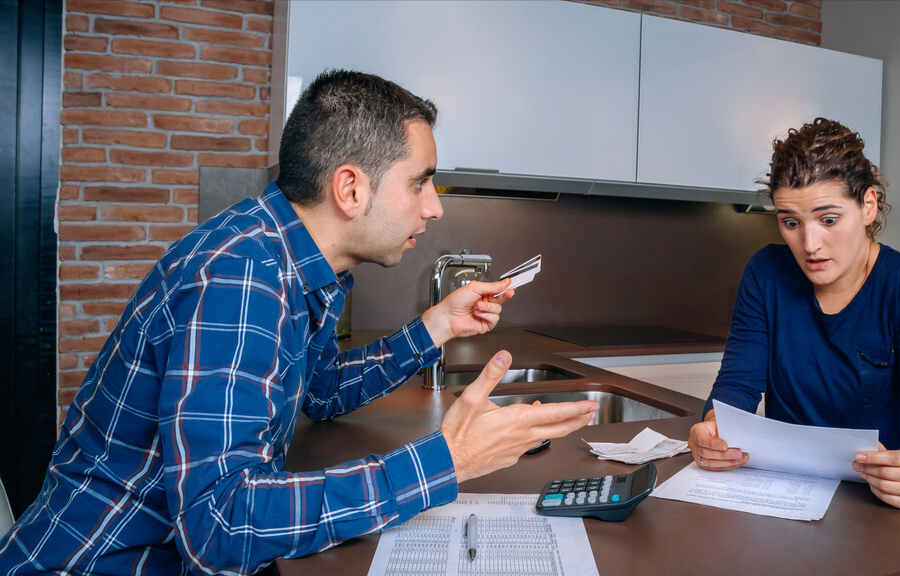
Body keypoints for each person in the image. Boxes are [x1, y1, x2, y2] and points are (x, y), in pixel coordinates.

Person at [0, 69, 598, 575]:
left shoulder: (289, 260)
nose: (434, 205)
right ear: (350, 188)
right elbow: (220, 525)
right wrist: (450, 460)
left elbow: (321, 389)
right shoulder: (240, 278)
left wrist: (437, 325)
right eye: (420, 181)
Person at [688, 118, 900, 510]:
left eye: (829, 219)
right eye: (790, 223)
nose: (810, 244)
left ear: (868, 205)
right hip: (797, 493)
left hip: (888, 499)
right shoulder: (765, 273)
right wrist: (712, 431)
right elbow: (736, 387)